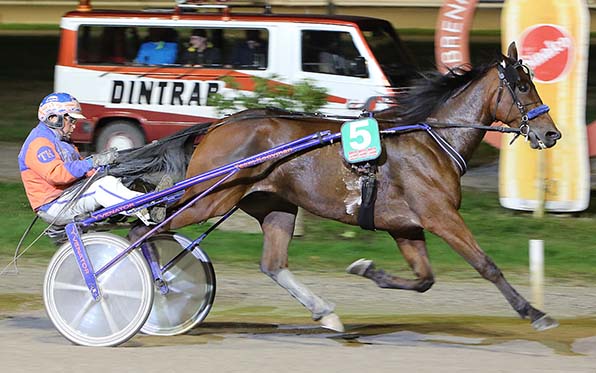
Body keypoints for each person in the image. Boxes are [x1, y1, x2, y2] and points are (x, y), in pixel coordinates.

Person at [18, 92, 170, 226]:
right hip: (55, 205)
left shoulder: (63, 142)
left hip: (71, 195)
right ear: (53, 118)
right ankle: (147, 207)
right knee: (103, 187)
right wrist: (93, 162)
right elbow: (57, 175)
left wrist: (103, 167)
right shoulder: (39, 143)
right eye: (71, 120)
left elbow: (82, 171)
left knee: (112, 177)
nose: (74, 126)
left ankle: (147, 202)